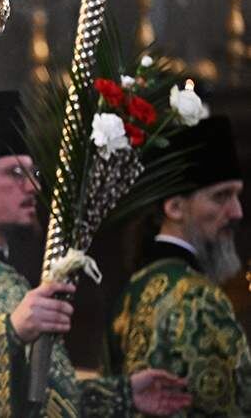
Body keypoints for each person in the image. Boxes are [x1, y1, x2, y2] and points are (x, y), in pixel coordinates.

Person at [0, 91, 191, 417]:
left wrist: (122, 394)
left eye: (33, 174)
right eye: (15, 173)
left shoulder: (8, 276)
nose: (33, 187)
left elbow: (32, 398)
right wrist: (11, 331)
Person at [106, 115, 251, 416]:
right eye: (221, 197)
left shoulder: (133, 290)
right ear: (174, 207)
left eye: (237, 196)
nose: (237, 212)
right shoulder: (198, 296)